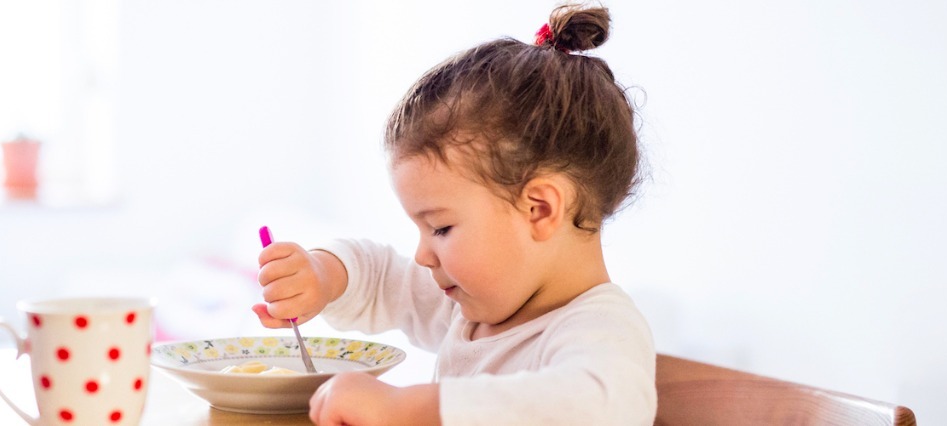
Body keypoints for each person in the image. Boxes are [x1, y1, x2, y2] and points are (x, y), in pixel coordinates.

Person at [254, 4, 655, 425]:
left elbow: (596, 408)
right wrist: (322, 275)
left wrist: (403, 408)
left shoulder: (601, 330)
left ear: (539, 209)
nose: (424, 255)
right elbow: (381, 278)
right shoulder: (475, 304)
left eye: (441, 228)